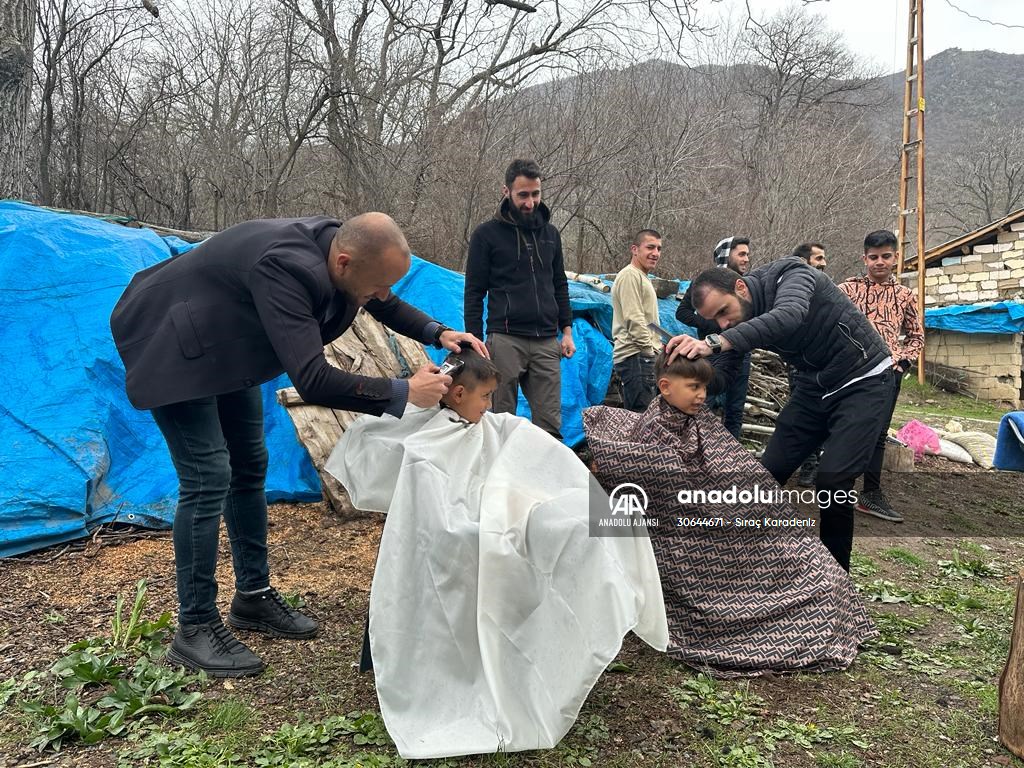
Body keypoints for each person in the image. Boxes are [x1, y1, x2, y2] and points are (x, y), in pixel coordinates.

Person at [109, 212, 485, 678]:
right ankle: (195, 626)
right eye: (370, 288)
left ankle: (252, 597)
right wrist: (403, 392)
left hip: (227, 344)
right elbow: (313, 379)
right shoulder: (285, 269)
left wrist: (437, 331)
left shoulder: (342, 251)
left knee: (249, 465)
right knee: (208, 477)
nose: (375, 297)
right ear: (343, 263)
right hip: (173, 343)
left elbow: (381, 299)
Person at [324, 346, 668, 759]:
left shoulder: (493, 426)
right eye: (484, 397)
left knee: (598, 526)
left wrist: (527, 507)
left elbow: (534, 465)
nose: (491, 406)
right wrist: (495, 523)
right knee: (526, 549)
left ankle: (557, 647)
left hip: (506, 512)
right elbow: (437, 518)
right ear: (456, 395)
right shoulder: (429, 445)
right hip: (465, 529)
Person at [584, 351, 876, 676]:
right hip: (697, 536)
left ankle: (821, 591)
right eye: (694, 387)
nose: (702, 396)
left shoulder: (692, 418)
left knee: (804, 553)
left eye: (704, 388)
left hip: (720, 509)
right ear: (665, 387)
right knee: (802, 570)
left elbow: (723, 461)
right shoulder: (654, 432)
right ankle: (803, 611)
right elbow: (675, 499)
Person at [665, 258, 893, 571]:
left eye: (722, 312)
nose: (721, 325)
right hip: (814, 386)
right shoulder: (738, 323)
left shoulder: (791, 274)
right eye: (713, 322)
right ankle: (735, 558)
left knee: (833, 480)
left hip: (863, 378)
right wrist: (687, 371)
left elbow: (789, 316)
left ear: (741, 288)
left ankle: (837, 579)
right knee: (765, 474)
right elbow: (724, 374)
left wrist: (713, 343)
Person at [464, 159, 575, 439]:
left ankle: (543, 480)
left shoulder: (550, 234)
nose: (530, 202)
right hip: (505, 339)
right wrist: (474, 342)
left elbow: (559, 283)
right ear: (507, 191)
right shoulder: (486, 235)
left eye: (535, 194)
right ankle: (499, 480)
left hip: (547, 341)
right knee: (500, 420)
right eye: (523, 195)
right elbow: (474, 292)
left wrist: (567, 331)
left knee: (549, 425)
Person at [838, 230, 924, 523]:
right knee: (845, 429)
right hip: (850, 373)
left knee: (877, 436)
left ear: (896, 257)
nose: (879, 262)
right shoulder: (847, 291)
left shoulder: (905, 296)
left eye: (886, 256)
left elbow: (916, 337)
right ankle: (837, 488)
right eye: (873, 257)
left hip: (888, 375)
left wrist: (903, 363)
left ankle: (871, 495)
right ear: (864, 258)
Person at [676, 236, 752, 439]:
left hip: (741, 354)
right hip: (710, 354)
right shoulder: (704, 284)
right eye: (741, 254)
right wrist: (711, 325)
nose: (747, 259)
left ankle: (730, 458)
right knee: (703, 404)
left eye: (747, 254)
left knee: (735, 410)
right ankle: (697, 450)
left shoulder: (747, 287)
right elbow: (682, 312)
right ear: (727, 255)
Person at [611, 229, 663, 411]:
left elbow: (649, 321)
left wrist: (660, 347)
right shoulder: (629, 275)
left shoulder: (642, 277)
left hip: (643, 355)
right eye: (650, 247)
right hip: (636, 356)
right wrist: (648, 351)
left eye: (658, 248)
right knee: (641, 417)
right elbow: (634, 318)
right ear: (635, 249)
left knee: (646, 417)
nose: (655, 253)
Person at [789, 241, 828, 486]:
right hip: (801, 364)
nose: (824, 263)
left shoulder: (827, 289)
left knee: (825, 415)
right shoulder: (794, 291)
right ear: (804, 262)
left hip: (826, 365)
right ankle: (808, 467)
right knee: (804, 416)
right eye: (819, 258)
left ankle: (818, 465)